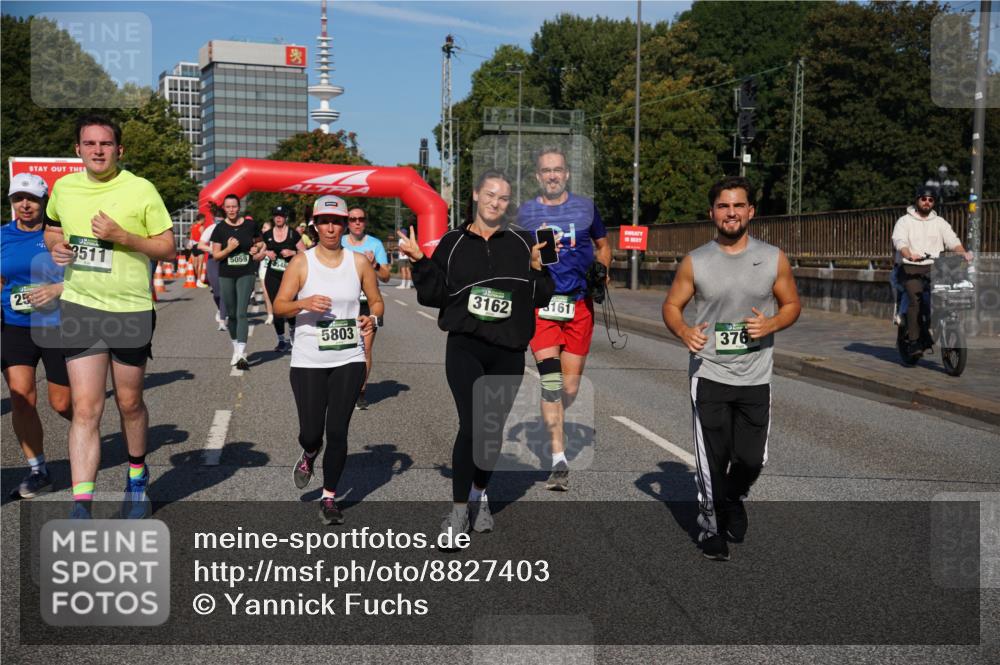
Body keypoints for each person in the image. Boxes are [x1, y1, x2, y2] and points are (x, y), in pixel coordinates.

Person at [397, 170, 553, 543]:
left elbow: (544, 295)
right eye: (490, 195)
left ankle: (479, 493)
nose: (496, 203)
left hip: (508, 351)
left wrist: (536, 268)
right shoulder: (451, 243)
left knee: (490, 432)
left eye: (503, 198)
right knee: (472, 425)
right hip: (465, 346)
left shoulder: (522, 241)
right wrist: (420, 260)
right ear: (476, 196)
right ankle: (457, 514)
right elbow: (435, 294)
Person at [662, 176, 801, 561]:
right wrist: (684, 331)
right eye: (724, 206)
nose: (731, 213)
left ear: (751, 211)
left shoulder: (773, 257)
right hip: (709, 374)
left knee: (752, 460)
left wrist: (771, 324)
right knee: (712, 460)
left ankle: (734, 496)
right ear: (712, 213)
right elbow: (671, 306)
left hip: (756, 375)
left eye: (739, 205)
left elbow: (791, 304)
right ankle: (711, 527)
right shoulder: (697, 260)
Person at [45, 114, 176, 519]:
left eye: (105, 144)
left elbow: (168, 247)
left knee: (129, 401)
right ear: (78, 150)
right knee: (86, 408)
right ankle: (82, 504)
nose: (97, 151)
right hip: (81, 305)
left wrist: (125, 237)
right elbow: (51, 228)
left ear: (119, 150)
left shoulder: (140, 189)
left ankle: (137, 476)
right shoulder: (64, 188)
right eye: (90, 144)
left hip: (130, 309)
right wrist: (56, 247)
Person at [272, 195, 383, 526]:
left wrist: (372, 320)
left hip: (349, 356)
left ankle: (330, 497)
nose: (331, 227)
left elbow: (376, 302)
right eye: (324, 221)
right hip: (308, 358)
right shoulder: (302, 262)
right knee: (311, 433)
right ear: (315, 226)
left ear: (345, 224)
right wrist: (303, 303)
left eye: (337, 221)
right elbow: (279, 305)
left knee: (338, 430)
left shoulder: (359, 262)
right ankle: (309, 453)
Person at [516, 146, 611, 491]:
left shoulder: (586, 208)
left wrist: (604, 270)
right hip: (543, 306)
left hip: (579, 306)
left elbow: (603, 244)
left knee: (569, 387)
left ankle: (552, 414)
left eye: (557, 170)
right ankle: (559, 459)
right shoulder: (525, 214)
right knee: (552, 383)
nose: (552, 175)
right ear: (538, 177)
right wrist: (531, 260)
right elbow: (514, 254)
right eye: (546, 171)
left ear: (566, 174)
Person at [2, 173, 72, 499]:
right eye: (18, 199)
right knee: (21, 398)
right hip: (14, 326)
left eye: (31, 198)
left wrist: (58, 289)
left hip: (56, 324)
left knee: (62, 403)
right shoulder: (2, 236)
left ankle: (87, 429)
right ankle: (38, 470)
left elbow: (82, 276)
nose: (25, 205)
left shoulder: (57, 235)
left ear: (44, 202)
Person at [891, 185, 974, 356]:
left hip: (933, 267)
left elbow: (952, 240)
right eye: (924, 199)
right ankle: (914, 341)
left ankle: (941, 323)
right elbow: (899, 240)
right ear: (917, 200)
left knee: (949, 291)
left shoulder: (939, 222)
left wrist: (963, 252)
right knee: (916, 298)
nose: (927, 202)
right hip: (910, 267)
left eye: (931, 200)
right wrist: (908, 253)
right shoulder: (904, 221)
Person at [341, 207, 391, 410]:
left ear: (365, 222)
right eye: (353, 219)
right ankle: (341, 386)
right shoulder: (340, 242)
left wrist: (376, 264)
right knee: (343, 346)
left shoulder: (375, 244)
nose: (357, 222)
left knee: (365, 348)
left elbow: (386, 276)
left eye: (361, 219)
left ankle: (360, 390)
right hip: (344, 301)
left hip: (367, 302)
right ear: (347, 222)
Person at [210, 194, 265, 370]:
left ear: (239, 207)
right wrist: (229, 248)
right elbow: (216, 255)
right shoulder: (220, 229)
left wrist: (256, 248)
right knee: (231, 314)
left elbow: (261, 243)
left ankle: (242, 352)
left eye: (234, 206)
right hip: (226, 274)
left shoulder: (250, 225)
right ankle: (235, 347)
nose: (232, 210)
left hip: (246, 273)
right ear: (224, 208)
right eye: (228, 207)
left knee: (241, 312)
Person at [262, 204, 301, 352]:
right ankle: (281, 341)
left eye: (281, 215)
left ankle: (292, 335)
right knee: (277, 309)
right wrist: (266, 253)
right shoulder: (267, 235)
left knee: (289, 308)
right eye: (276, 215)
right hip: (272, 276)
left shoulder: (293, 234)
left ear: (286, 217)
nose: (278, 218)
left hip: (290, 277)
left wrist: (292, 253)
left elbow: (305, 254)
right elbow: (257, 255)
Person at [197, 213, 227, 331]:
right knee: (217, 292)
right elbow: (200, 245)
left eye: (221, 220)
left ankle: (223, 320)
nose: (219, 222)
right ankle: (220, 309)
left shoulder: (228, 228)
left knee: (224, 290)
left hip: (226, 261)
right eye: (217, 220)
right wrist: (214, 250)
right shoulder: (211, 229)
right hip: (213, 260)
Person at [188, 217, 207, 288]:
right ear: (201, 219)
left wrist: (190, 243)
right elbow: (203, 237)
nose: (204, 221)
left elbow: (191, 236)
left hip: (193, 245)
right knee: (200, 264)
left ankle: (196, 279)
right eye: (204, 220)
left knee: (195, 264)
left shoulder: (192, 226)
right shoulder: (201, 227)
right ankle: (198, 281)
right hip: (199, 245)